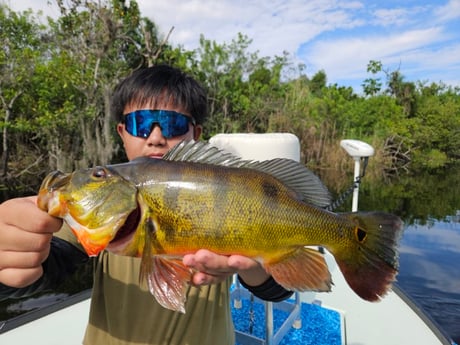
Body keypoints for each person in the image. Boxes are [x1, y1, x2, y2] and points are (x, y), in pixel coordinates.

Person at [0, 64, 292, 344]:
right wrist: (14, 255)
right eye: (140, 123)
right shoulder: (104, 201)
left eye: (172, 124)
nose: (156, 137)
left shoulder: (226, 192)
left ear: (196, 134)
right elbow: (46, 265)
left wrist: (251, 265)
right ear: (122, 132)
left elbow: (278, 291)